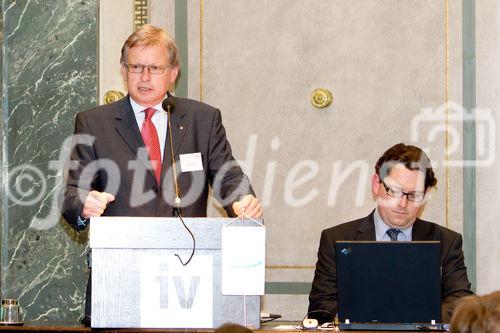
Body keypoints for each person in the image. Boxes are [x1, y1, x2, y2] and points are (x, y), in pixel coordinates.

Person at [61, 24, 262, 324]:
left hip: (187, 278)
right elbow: (73, 191)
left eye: (154, 67)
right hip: (119, 276)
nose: (144, 77)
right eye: (136, 67)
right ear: (123, 70)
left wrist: (243, 201)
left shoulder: (202, 120)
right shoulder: (93, 123)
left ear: (173, 72)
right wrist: (83, 204)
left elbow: (228, 177)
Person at [308, 143, 472, 324]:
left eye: (414, 195)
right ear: (376, 184)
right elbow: (320, 306)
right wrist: (375, 315)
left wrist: (405, 316)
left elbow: (460, 303)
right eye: (394, 191)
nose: (402, 204)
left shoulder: (447, 242)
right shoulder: (336, 239)